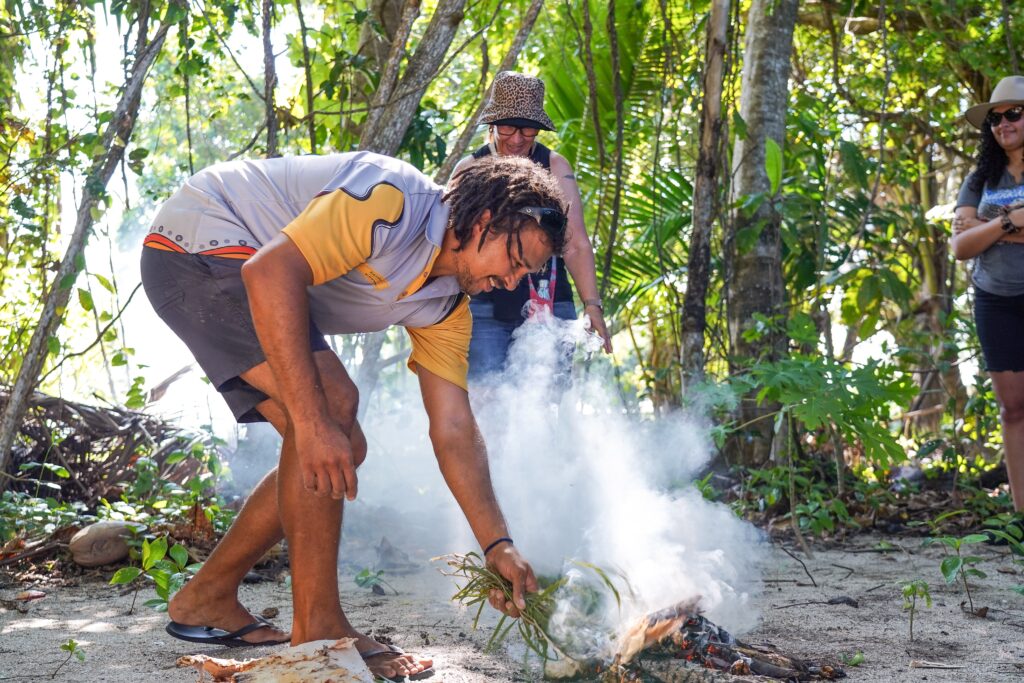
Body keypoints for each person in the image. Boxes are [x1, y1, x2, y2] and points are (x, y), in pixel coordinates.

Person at [140, 151, 568, 680]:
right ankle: (317, 627)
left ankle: (206, 597)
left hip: (236, 268)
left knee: (342, 442)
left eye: (527, 271)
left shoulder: (445, 304)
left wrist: (497, 545)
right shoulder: (392, 200)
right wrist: (313, 419)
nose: (514, 280)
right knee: (329, 410)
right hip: (196, 241)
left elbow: (455, 429)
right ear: (482, 222)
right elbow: (270, 271)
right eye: (515, 258)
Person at [450, 71, 612, 382]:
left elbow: (575, 242)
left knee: (545, 403)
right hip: (485, 307)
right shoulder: (469, 168)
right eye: (508, 127)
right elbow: (452, 245)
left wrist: (592, 305)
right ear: (493, 124)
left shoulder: (555, 166)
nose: (517, 138)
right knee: (486, 400)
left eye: (528, 130)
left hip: (548, 300)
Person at [952, 75, 1024, 516]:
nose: (1003, 123)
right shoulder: (981, 177)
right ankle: (1021, 517)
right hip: (994, 300)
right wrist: (1011, 221)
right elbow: (960, 246)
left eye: (1013, 113)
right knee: (1013, 410)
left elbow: (972, 233)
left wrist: (987, 229)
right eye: (995, 118)